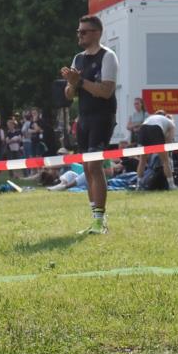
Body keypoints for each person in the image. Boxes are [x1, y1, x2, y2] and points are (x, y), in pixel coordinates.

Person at [61, 14, 119, 234]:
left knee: (95, 166)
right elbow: (69, 94)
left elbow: (106, 91)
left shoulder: (108, 56)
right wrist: (72, 84)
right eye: (78, 31)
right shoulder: (78, 58)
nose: (79, 34)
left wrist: (80, 82)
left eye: (83, 31)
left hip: (102, 117)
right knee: (86, 167)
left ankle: (100, 220)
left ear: (96, 33)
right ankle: (94, 216)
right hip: (84, 118)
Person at [135, 110, 178, 190]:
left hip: (143, 128)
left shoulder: (151, 118)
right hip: (155, 129)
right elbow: (169, 140)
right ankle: (171, 186)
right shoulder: (170, 123)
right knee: (165, 161)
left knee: (142, 161)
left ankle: (138, 185)